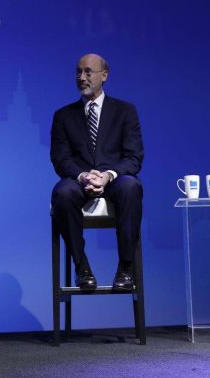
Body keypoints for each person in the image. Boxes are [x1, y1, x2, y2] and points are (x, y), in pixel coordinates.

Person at [50, 53, 144, 291]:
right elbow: (60, 159)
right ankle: (81, 267)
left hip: (114, 178)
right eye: (78, 72)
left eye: (88, 72)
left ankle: (125, 268)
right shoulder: (63, 116)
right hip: (79, 180)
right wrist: (83, 176)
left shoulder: (125, 111)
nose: (82, 77)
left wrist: (107, 175)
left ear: (105, 75)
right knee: (62, 192)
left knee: (131, 186)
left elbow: (134, 158)